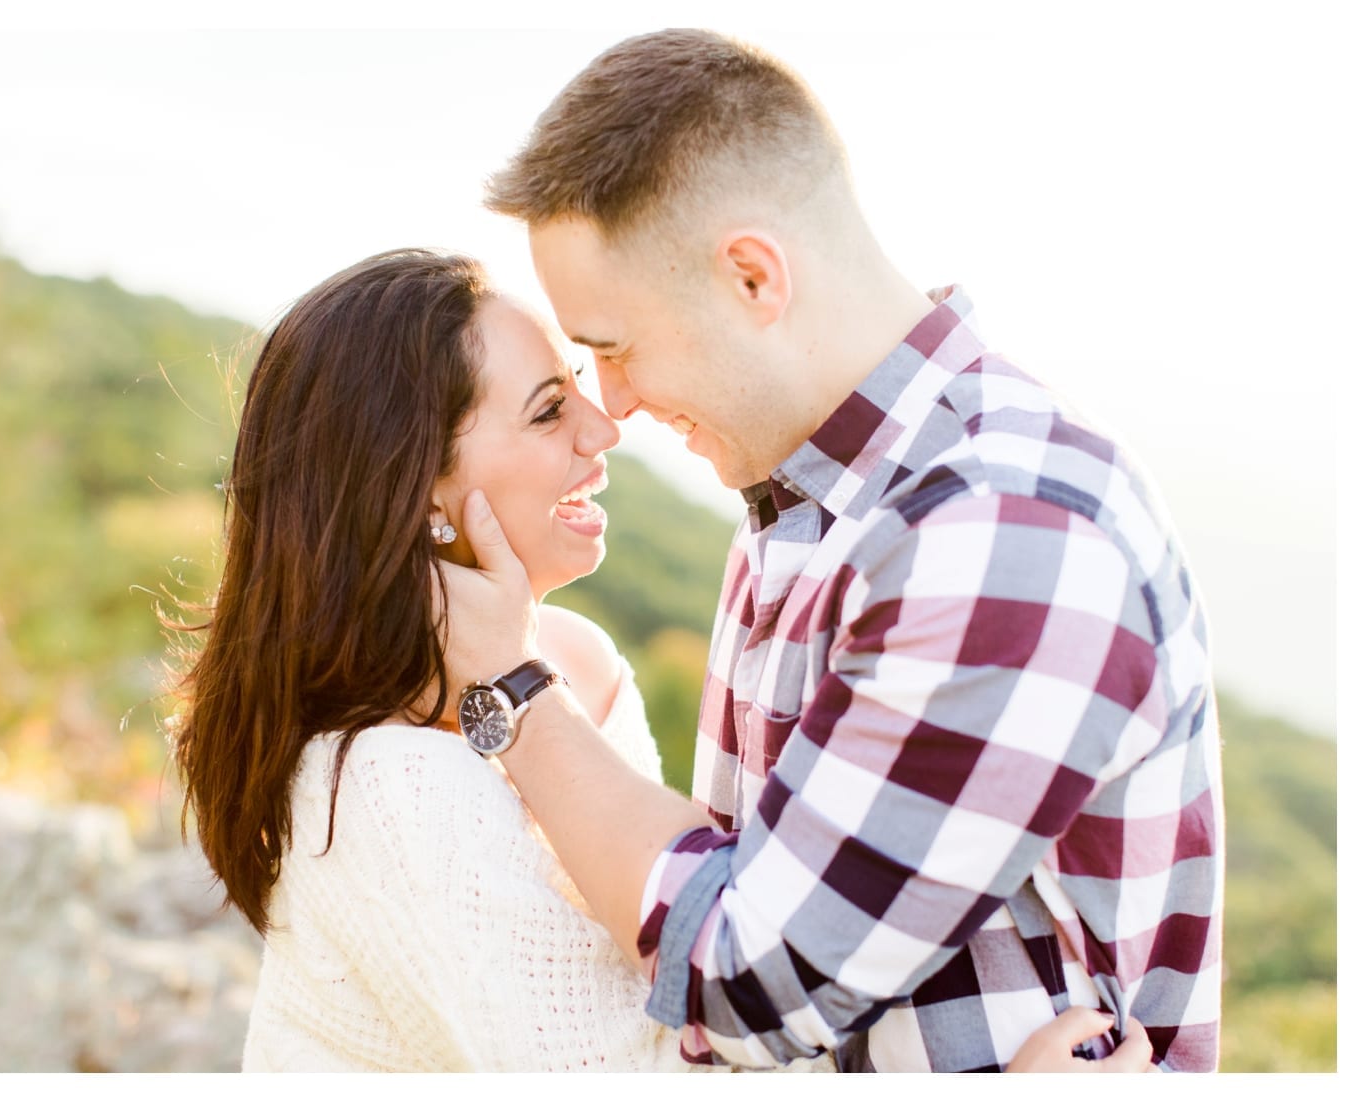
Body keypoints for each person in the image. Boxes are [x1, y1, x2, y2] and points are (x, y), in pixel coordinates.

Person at [436, 29, 1223, 1072]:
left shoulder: (999, 532)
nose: (610, 405)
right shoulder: (812, 495)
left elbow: (745, 982)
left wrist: (512, 687)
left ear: (753, 280)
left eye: (615, 349)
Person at [168, 247, 1146, 1072]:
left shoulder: (572, 660)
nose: (604, 431)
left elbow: (688, 1006)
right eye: (550, 410)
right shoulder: (389, 784)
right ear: (418, 493)